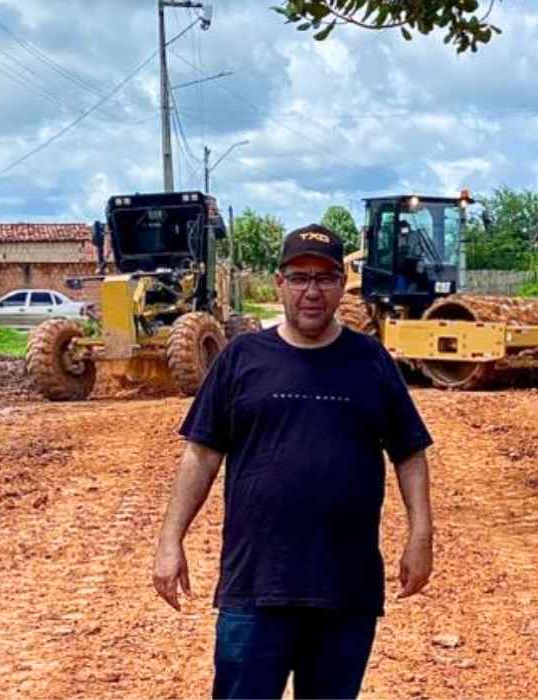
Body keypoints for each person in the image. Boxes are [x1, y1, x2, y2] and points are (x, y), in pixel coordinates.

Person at [152, 223, 435, 699]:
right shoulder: (242, 358)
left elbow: (409, 452)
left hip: (345, 588)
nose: (312, 291)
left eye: (324, 278)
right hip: (255, 586)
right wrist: (169, 540)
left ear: (342, 286)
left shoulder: (370, 361)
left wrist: (421, 534)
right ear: (280, 283)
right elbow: (201, 454)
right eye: (300, 277)